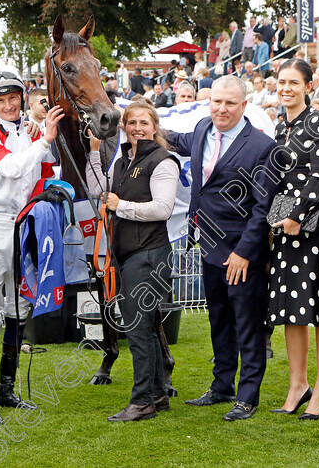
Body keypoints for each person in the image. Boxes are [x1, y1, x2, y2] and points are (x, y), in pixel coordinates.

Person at [168, 75, 279, 421]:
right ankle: (222, 386)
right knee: (219, 320)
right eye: (217, 101)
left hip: (242, 252)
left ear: (244, 106)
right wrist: (137, 125)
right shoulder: (203, 128)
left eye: (230, 103)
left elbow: (264, 208)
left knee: (248, 324)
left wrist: (244, 252)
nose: (222, 109)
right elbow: (177, 140)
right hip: (207, 244)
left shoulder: (261, 146)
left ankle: (248, 396)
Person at [0, 66, 59, 424]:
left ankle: (7, 390)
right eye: (0, 99)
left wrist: (45, 138)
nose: (8, 104)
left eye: (13, 98)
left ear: (23, 98)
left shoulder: (32, 132)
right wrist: (43, 141)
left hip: (26, 227)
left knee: (18, 308)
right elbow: (9, 168)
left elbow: (48, 171)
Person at [85, 101, 179, 421]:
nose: (137, 128)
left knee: (138, 330)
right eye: (131, 122)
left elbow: (163, 208)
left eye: (144, 122)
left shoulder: (162, 161)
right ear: (124, 126)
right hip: (130, 255)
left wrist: (120, 206)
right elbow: (101, 190)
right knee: (147, 329)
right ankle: (156, 394)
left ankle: (141, 402)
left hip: (150, 255)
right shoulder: (123, 160)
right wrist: (94, 154)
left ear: (155, 127)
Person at [265, 59, 319, 421]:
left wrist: (297, 217)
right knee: (291, 309)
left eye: (293, 82)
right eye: (281, 82)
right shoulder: (281, 125)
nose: (286, 88)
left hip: (316, 228)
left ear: (308, 86)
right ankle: (298, 384)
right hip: (285, 227)